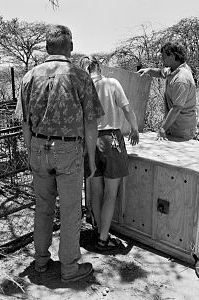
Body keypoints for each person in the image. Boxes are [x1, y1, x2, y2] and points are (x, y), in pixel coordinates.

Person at [18, 25, 104, 283]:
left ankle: (41, 261)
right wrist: (90, 158)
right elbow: (91, 123)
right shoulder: (79, 76)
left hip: (37, 147)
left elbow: (24, 123)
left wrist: (31, 153)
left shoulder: (29, 76)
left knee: (43, 207)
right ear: (71, 47)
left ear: (46, 48)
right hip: (68, 150)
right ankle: (68, 268)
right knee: (69, 211)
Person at [80, 55, 139, 251]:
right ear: (99, 66)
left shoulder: (81, 88)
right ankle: (103, 239)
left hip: (89, 142)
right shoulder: (111, 83)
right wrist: (134, 128)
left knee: (96, 191)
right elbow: (127, 108)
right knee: (111, 194)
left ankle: (98, 231)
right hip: (111, 140)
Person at [137, 41, 197, 141]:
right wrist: (148, 70)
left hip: (182, 129)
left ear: (172, 56)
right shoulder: (173, 70)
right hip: (174, 126)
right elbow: (161, 72)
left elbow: (177, 108)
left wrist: (162, 129)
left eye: (164, 56)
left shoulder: (181, 79)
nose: (162, 58)